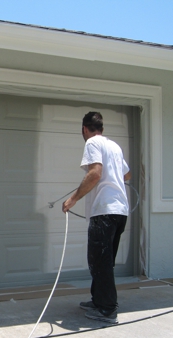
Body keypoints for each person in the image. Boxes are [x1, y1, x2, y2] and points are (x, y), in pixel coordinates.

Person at [62, 111, 131, 324]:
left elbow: (95, 173)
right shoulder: (114, 146)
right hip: (119, 211)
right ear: (101, 127)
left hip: (104, 211)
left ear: (85, 129)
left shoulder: (92, 143)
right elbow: (127, 175)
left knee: (98, 262)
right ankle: (99, 300)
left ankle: (108, 309)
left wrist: (73, 199)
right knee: (104, 261)